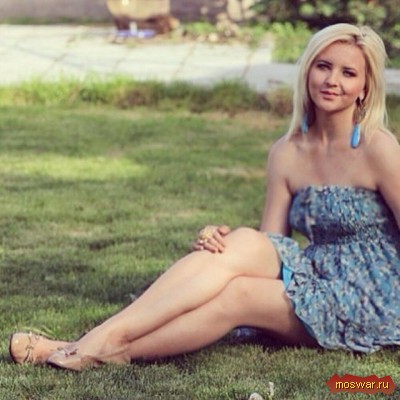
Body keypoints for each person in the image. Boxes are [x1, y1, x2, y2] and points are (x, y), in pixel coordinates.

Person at [9, 23, 400, 371]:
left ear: (365, 88)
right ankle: (100, 343)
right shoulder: (286, 152)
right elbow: (271, 243)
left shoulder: (378, 147)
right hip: (317, 274)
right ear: (308, 71)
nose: (332, 80)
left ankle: (90, 346)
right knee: (239, 243)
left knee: (239, 294)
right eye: (323, 66)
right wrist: (221, 243)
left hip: (373, 295)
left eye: (348, 73)